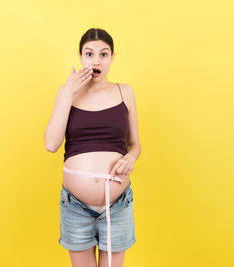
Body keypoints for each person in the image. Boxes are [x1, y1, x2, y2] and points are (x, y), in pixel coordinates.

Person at [44, 28, 141, 267]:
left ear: (112, 57)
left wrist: (129, 159)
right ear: (80, 56)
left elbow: (135, 145)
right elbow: (51, 144)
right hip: (76, 206)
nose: (96, 61)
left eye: (103, 54)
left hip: (117, 205)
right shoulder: (65, 93)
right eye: (89, 54)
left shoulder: (125, 92)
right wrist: (68, 92)